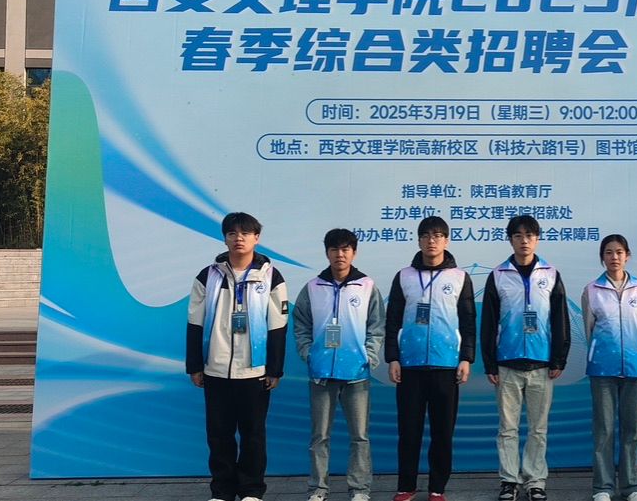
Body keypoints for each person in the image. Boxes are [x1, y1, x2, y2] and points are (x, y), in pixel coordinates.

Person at [186, 212, 289, 501]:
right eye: (232, 233)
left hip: (254, 372)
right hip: (216, 370)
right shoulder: (208, 276)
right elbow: (195, 322)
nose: (238, 238)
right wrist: (195, 365)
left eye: (245, 233)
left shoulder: (271, 276)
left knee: (253, 434)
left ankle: (252, 490)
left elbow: (278, 325)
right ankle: (222, 491)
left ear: (257, 238)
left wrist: (274, 369)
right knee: (219, 435)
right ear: (225, 239)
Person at [385, 216, 477, 501]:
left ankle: (437, 487)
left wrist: (466, 358)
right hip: (409, 366)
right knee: (409, 431)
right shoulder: (404, 276)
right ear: (419, 240)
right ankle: (406, 486)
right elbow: (392, 320)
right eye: (426, 235)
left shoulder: (459, 277)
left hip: (446, 365)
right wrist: (393, 358)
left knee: (442, 432)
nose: (431, 240)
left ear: (446, 241)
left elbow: (468, 322)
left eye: (437, 235)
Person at [481, 215, 571, 501]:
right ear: (510, 239)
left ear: (537, 239)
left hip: (541, 364)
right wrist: (490, 362)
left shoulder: (550, 274)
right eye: (518, 235)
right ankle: (509, 480)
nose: (524, 241)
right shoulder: (498, 274)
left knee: (538, 428)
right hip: (506, 363)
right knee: (507, 429)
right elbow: (488, 322)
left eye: (529, 235)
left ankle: (535, 481)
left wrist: (558, 359)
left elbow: (560, 319)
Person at [292, 228, 386, 501]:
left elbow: (376, 325)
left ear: (354, 253)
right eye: (334, 249)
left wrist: (369, 356)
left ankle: (359, 489)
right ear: (327, 253)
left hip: (356, 374)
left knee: (360, 436)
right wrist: (308, 353)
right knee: (319, 436)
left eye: (345, 249)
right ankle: (318, 489)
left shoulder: (366, 286)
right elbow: (301, 324)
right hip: (321, 374)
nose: (340, 254)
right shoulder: (313, 288)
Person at [581, 234, 637, 501]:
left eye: (619, 252)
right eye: (609, 252)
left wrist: (636, 355)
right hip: (602, 368)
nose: (614, 257)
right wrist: (603, 353)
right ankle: (603, 487)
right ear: (602, 257)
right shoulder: (592, 290)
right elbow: (589, 330)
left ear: (627, 256)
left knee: (632, 430)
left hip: (634, 367)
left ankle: (631, 486)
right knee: (604, 429)